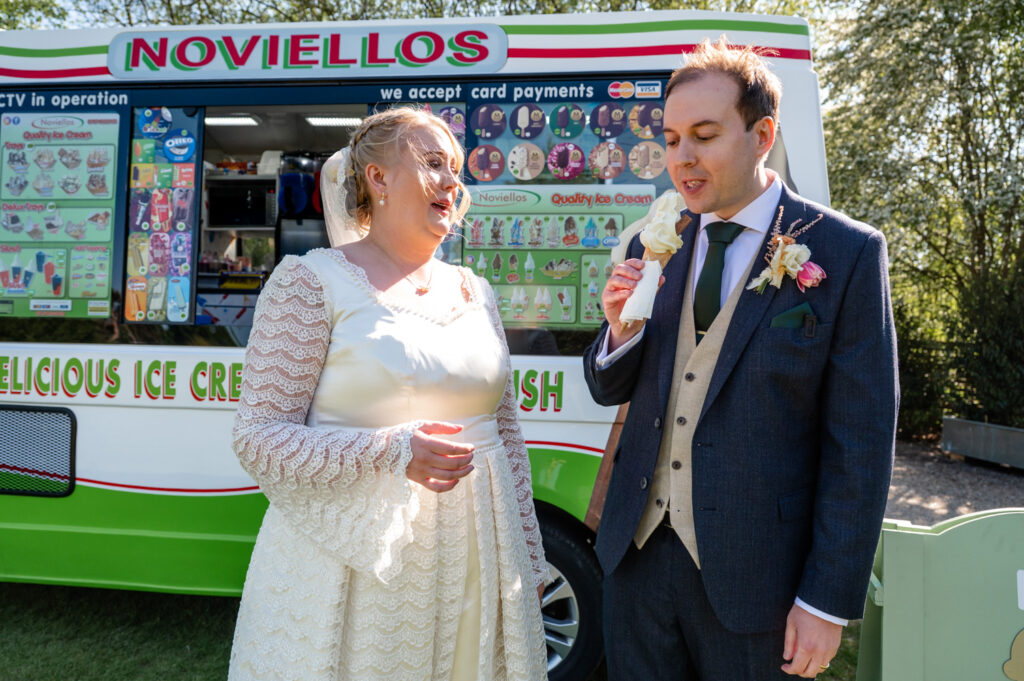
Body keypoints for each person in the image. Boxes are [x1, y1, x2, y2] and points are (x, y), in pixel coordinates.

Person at [583, 39, 898, 680]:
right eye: (671, 139)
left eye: (704, 135)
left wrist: (825, 602)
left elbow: (860, 446)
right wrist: (618, 335)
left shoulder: (846, 252)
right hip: (637, 562)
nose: (683, 159)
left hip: (763, 579)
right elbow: (608, 385)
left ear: (762, 134)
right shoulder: (654, 238)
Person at [228, 107, 548, 681]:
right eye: (432, 164)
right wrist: (391, 451)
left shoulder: (478, 291)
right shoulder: (310, 282)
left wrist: (528, 552)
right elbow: (258, 437)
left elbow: (505, 433)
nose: (452, 182)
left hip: (480, 551)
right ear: (377, 177)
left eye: (454, 168)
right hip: (356, 568)